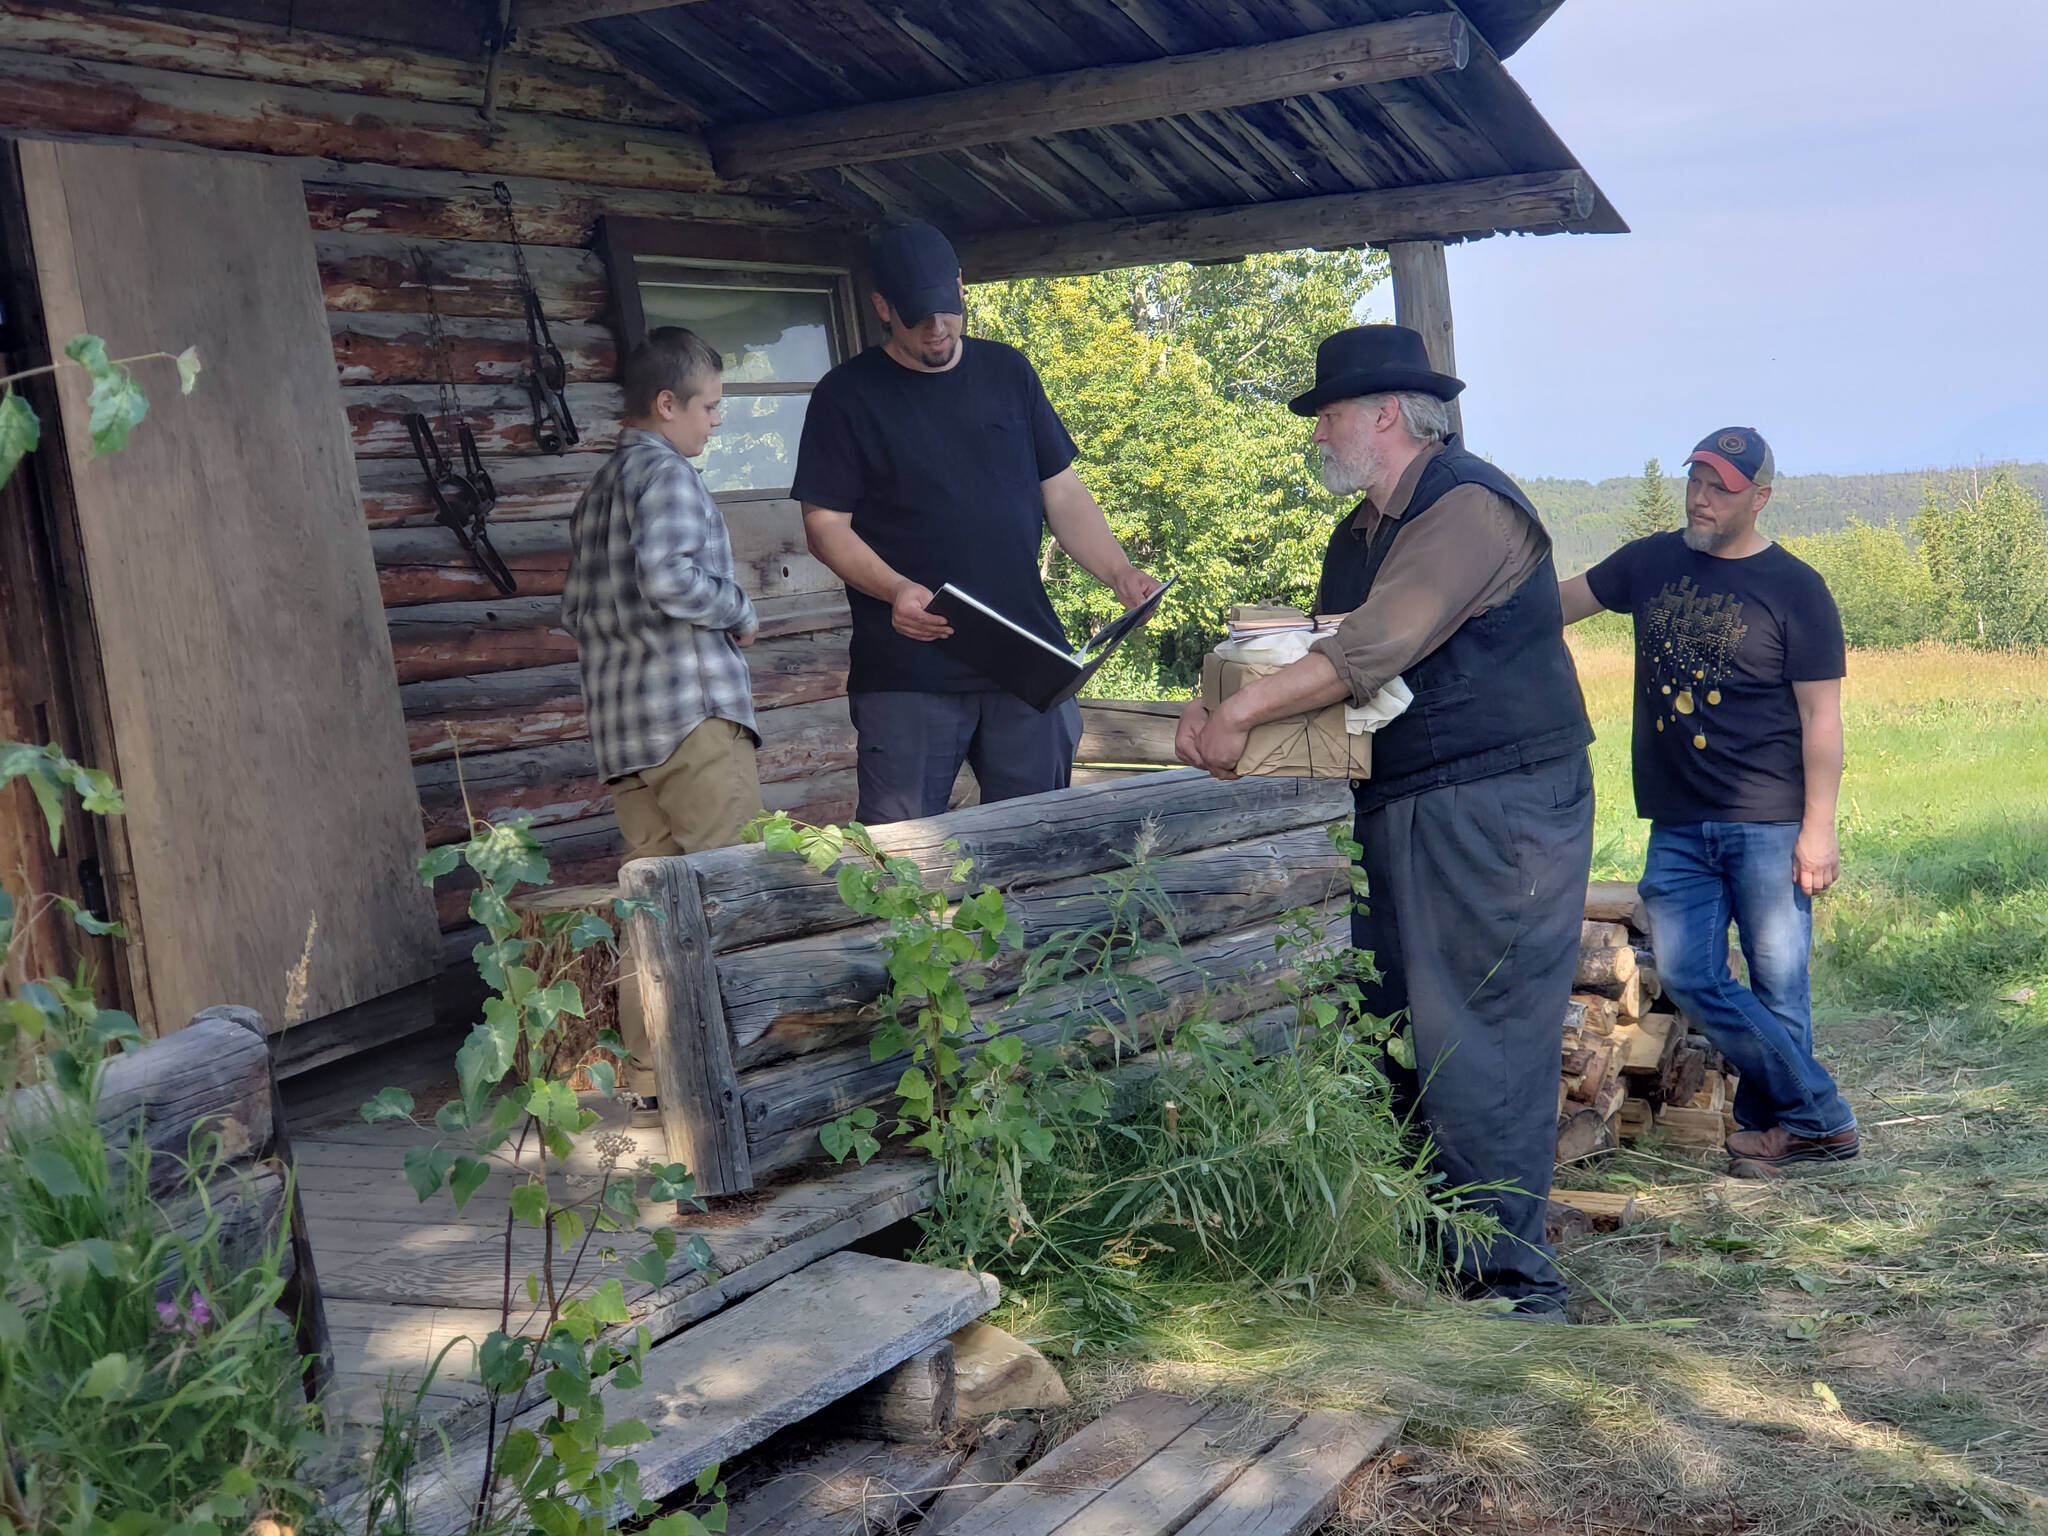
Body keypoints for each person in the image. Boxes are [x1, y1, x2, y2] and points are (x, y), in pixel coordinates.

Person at [1175, 325, 1595, 1318]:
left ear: (1385, 416)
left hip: (1497, 808)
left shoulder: (1465, 508)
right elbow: (1312, 664)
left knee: (1479, 1033)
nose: (1316, 432)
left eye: (1327, 413)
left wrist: (1237, 716)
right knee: (1392, 1028)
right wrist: (1214, 699)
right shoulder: (1362, 530)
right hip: (1406, 802)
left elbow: (1370, 648)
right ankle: (1429, 1255)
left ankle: (1507, 1289)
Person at [1560, 429, 1858, 1177]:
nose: (1701, 495)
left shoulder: (1798, 589)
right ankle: (1820, 1115)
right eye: (1696, 478)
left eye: (1721, 485)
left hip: (1770, 821)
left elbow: (1822, 718)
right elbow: (1554, 605)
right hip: (1679, 824)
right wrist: (1466, 605)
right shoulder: (1649, 563)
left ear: (1758, 497)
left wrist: (1817, 831)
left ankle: (1778, 1135)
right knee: (1691, 974)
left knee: (1780, 987)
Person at [794, 220, 1161, 823]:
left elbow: (1063, 493)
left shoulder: (1009, 373)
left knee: (1040, 844)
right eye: (917, 317)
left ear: (962, 287)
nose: (936, 328)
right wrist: (896, 590)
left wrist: (1120, 574)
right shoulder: (845, 395)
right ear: (883, 307)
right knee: (901, 863)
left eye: (947, 309)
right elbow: (825, 525)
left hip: (1029, 663)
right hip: (908, 666)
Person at [561, 325, 762, 1122]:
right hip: (694, 724)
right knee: (729, 893)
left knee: (653, 911)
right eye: (709, 407)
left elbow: (576, 610)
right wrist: (738, 608)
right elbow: (670, 576)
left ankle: (653, 1079)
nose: (716, 422)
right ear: (667, 403)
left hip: (626, 737)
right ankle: (738, 1072)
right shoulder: (667, 477)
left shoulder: (596, 491)